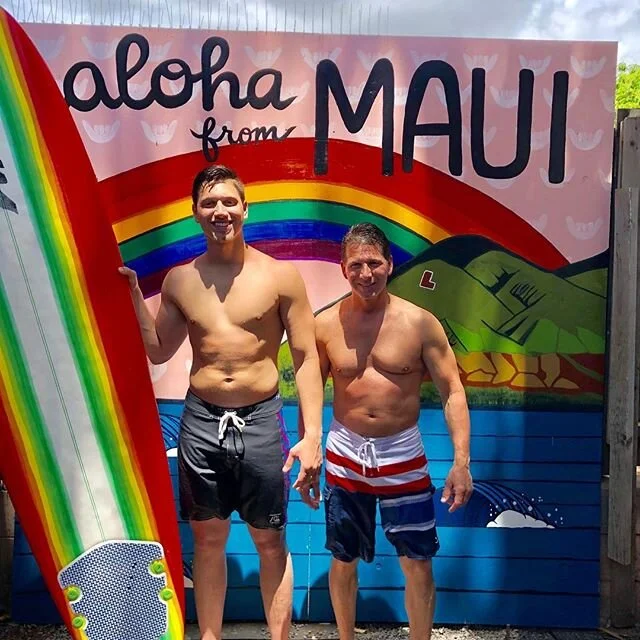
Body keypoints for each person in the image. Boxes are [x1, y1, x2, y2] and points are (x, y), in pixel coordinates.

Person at [119, 165, 323, 640]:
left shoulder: (280, 276)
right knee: (207, 540)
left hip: (262, 420)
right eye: (209, 203)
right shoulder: (180, 280)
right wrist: (132, 295)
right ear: (196, 213)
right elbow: (158, 350)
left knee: (270, 541)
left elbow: (308, 358)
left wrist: (313, 436)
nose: (220, 211)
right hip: (201, 420)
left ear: (245, 209)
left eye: (229, 202)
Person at [311, 222, 472, 640]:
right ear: (342, 268)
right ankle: (345, 636)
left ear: (390, 264)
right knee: (343, 557)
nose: (366, 274)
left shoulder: (419, 323)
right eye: (356, 265)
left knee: (418, 560)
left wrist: (461, 462)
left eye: (375, 263)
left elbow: (453, 390)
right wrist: (309, 446)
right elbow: (311, 394)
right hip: (345, 454)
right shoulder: (325, 325)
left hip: (403, 455)